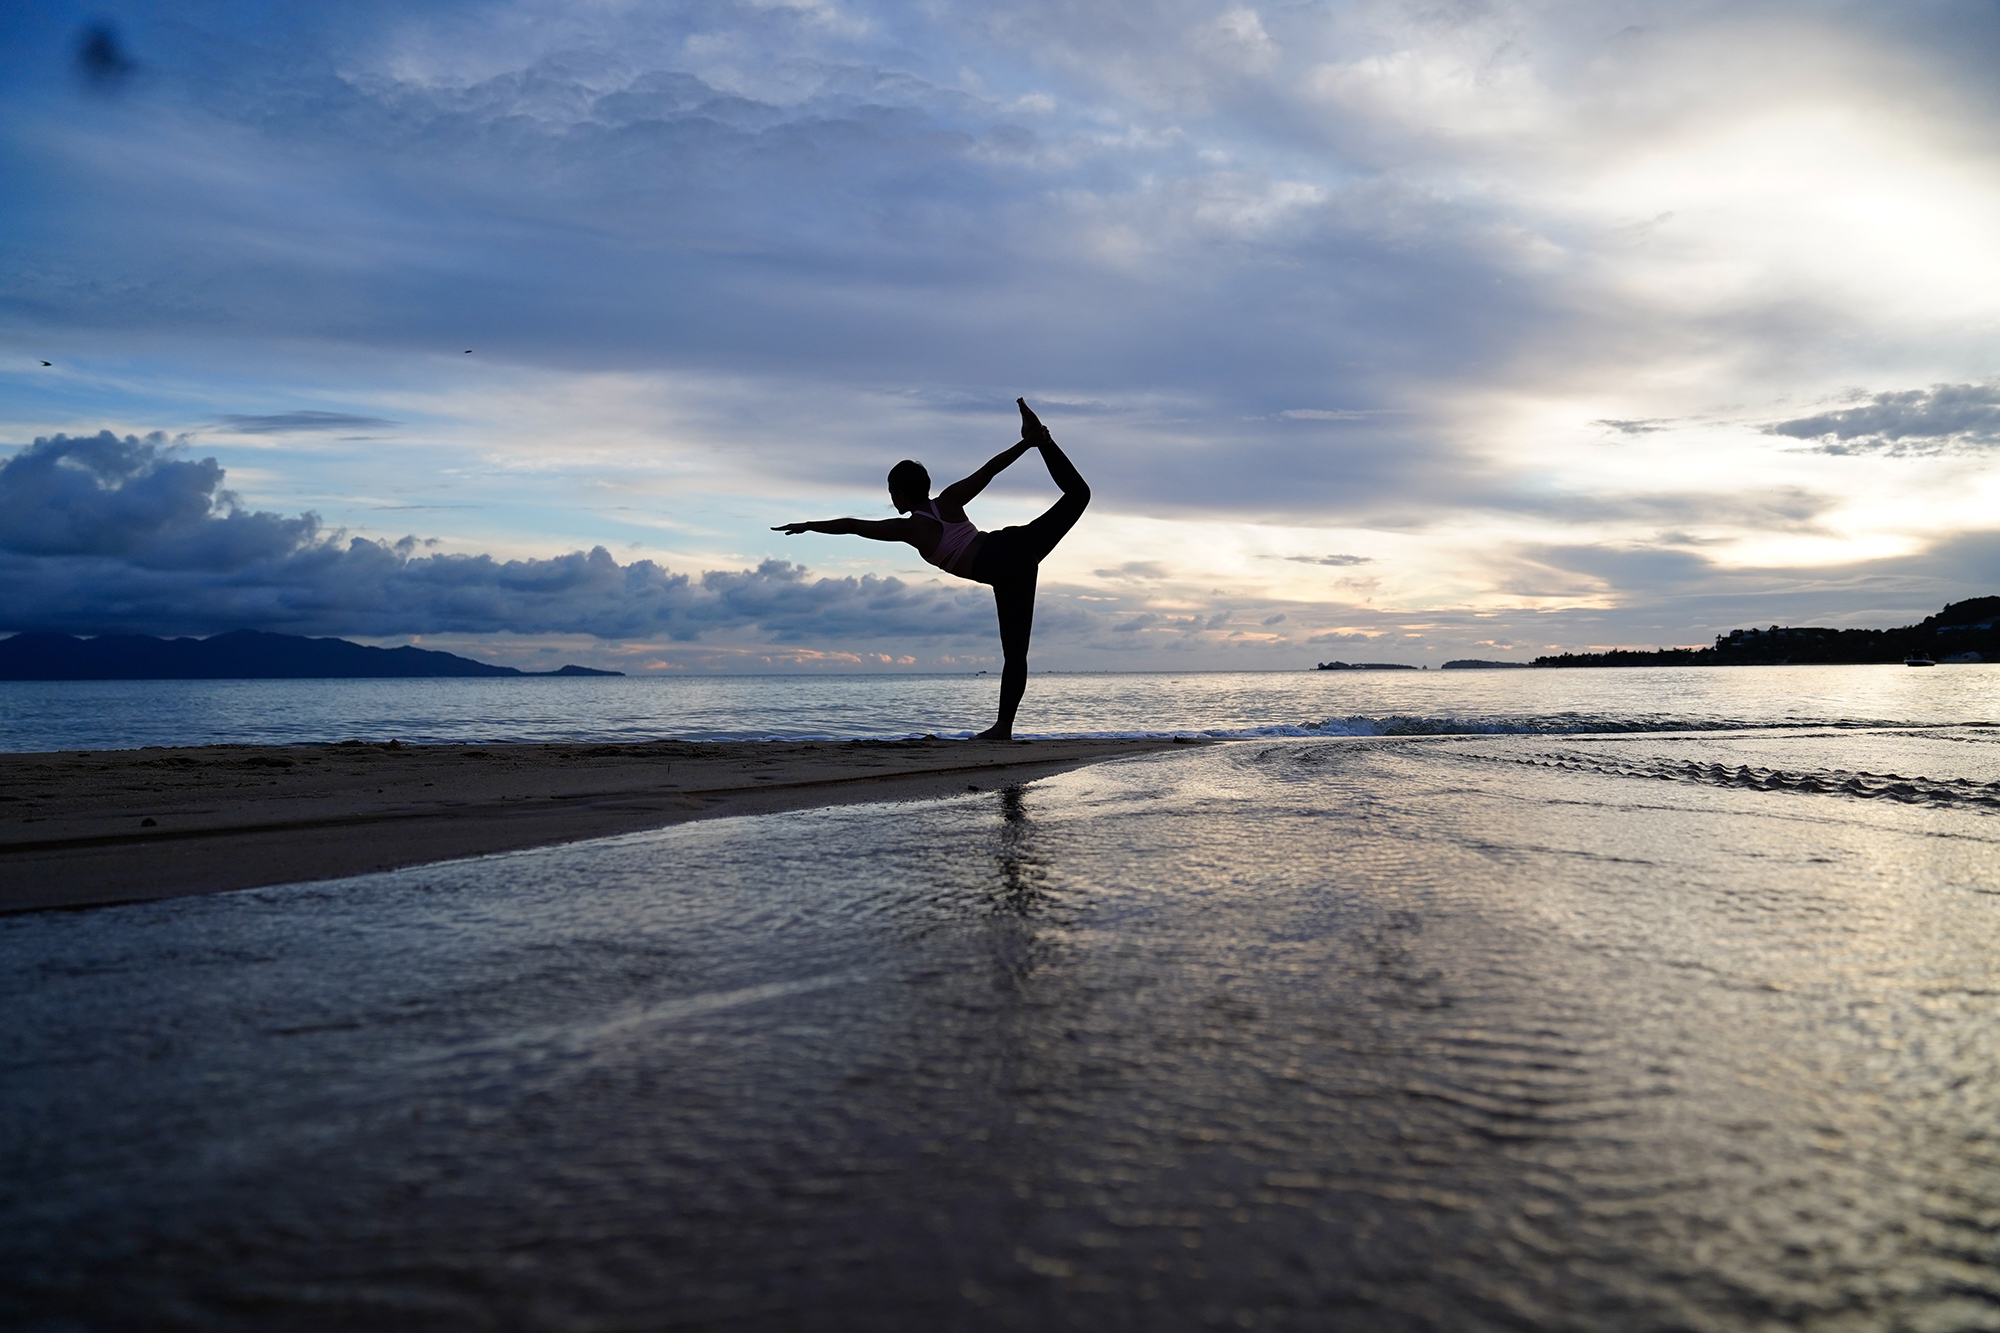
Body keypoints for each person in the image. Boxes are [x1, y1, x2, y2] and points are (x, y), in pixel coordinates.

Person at [773, 398, 1089, 740]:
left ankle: (1003, 728)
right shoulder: (950, 499)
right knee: (1078, 494)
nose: (893, 499)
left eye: (893, 493)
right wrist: (1027, 444)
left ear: (902, 496)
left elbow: (853, 525)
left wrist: (809, 524)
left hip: (1005, 564)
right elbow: (991, 469)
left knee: (1015, 654)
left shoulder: (910, 529)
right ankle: (1044, 440)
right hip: (1017, 549)